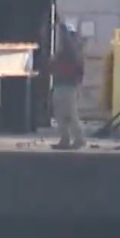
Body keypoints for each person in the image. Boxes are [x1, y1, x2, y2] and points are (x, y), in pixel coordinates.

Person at [49, 21, 86, 149]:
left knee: (70, 114)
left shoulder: (71, 50)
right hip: (62, 84)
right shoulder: (67, 51)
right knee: (61, 114)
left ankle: (78, 139)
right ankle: (65, 139)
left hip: (68, 85)